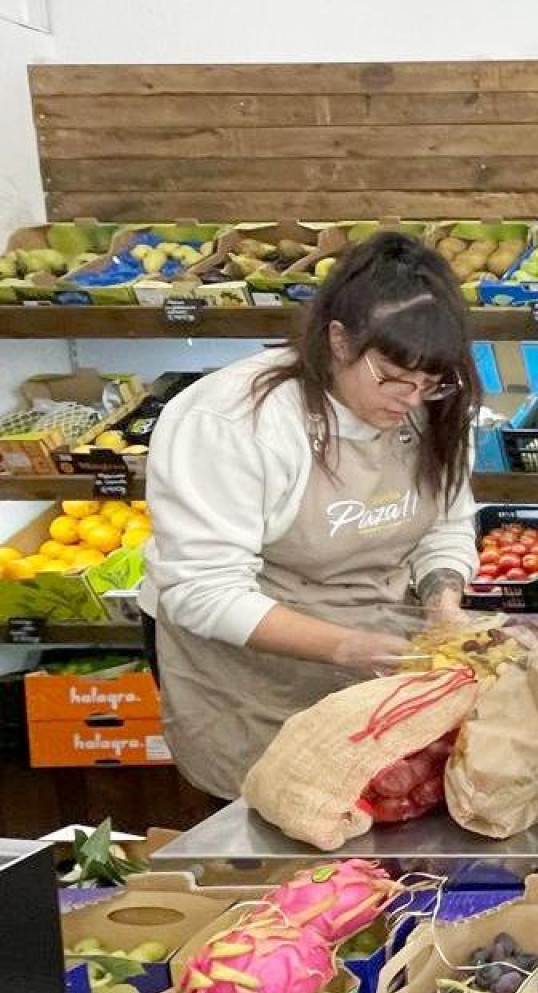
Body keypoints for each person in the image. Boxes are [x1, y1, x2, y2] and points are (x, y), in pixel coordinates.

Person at [142, 231, 481, 799]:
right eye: (392, 377)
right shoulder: (234, 421)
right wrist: (350, 648)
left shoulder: (435, 407)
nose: (410, 400)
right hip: (249, 678)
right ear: (339, 340)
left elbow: (445, 525)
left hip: (379, 660)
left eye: (428, 383)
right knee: (272, 820)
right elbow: (202, 590)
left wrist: (442, 604)